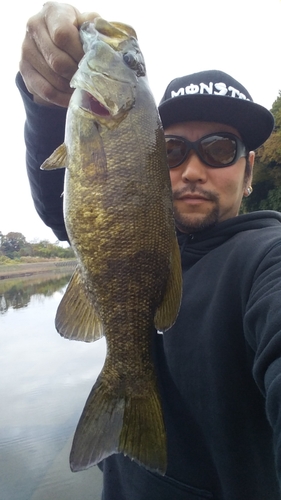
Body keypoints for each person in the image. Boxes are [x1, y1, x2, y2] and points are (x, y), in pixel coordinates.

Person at [17, 3, 281, 499]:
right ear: (147, 158)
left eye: (222, 150)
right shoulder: (147, 233)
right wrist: (44, 100)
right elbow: (69, 212)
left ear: (249, 175)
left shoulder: (269, 261)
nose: (194, 171)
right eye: (173, 151)